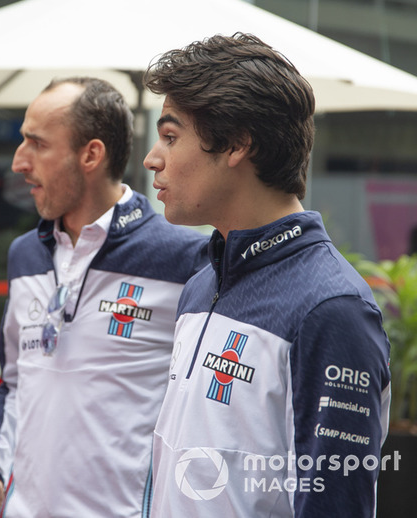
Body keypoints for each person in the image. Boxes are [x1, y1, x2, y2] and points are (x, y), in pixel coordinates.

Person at [142, 33, 390, 517]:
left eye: (171, 137)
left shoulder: (332, 309)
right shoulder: (202, 283)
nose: (153, 158)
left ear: (236, 144)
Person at [0, 77, 209, 517]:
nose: (19, 162)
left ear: (91, 155)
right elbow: (16, 381)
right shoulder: (25, 254)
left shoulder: (186, 258)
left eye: (36, 144)